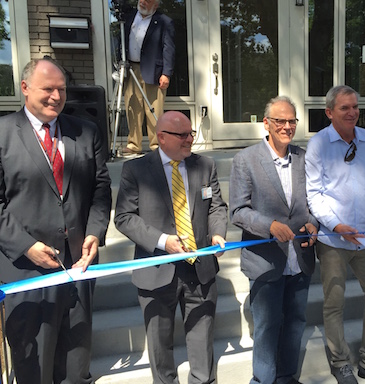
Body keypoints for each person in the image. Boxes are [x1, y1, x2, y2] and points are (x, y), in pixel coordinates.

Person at [0, 57, 112, 384]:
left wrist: (94, 232)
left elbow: (101, 188)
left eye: (61, 89)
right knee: (34, 364)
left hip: (78, 264)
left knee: (76, 362)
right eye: (47, 89)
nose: (56, 96)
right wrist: (26, 246)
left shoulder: (86, 132)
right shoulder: (3, 133)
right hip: (26, 269)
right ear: (24, 88)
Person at [114, 111, 228, 383]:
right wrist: (163, 241)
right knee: (160, 349)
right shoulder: (136, 170)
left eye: (191, 134)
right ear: (161, 137)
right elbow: (124, 217)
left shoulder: (205, 166)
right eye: (183, 135)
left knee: (202, 348)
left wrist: (217, 234)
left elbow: (216, 207)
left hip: (200, 270)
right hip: (156, 270)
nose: (190, 139)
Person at [305, 85, 365, 384]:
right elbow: (314, 194)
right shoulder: (318, 144)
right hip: (334, 240)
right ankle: (341, 362)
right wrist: (335, 226)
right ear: (330, 112)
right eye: (345, 108)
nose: (352, 112)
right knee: (335, 303)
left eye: (355, 106)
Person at [230, 96, 319, 384]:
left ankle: (286, 376)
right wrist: (269, 226)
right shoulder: (246, 159)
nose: (287, 126)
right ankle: (263, 380)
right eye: (280, 120)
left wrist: (314, 223)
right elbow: (238, 211)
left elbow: (313, 201)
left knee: (295, 322)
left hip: (301, 255)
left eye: (292, 120)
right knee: (268, 326)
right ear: (266, 123)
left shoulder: (303, 158)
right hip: (266, 260)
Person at [122, 0, 175, 154]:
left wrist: (166, 73)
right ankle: (133, 144)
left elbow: (169, 49)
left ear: (156, 5)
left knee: (154, 109)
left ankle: (156, 145)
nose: (143, 2)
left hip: (154, 70)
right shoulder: (129, 16)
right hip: (131, 68)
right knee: (133, 107)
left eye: (148, 0)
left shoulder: (164, 21)